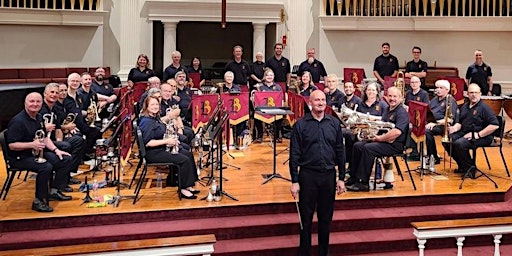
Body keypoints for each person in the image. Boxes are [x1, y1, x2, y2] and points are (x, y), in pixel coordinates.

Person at [289, 90, 346, 256]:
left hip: (329, 176)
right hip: (307, 176)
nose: (320, 103)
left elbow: (340, 151)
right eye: (317, 100)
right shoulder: (300, 125)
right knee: (305, 220)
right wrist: (294, 180)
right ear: (310, 103)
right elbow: (294, 155)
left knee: (325, 219)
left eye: (323, 100)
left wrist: (341, 178)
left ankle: (323, 253)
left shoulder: (334, 124)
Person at [7, 92, 73, 212]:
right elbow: (12, 145)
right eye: (31, 101)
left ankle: (54, 190)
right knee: (45, 167)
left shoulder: (38, 117)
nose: (35, 104)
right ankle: (38, 200)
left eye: (38, 102)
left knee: (65, 159)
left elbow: (45, 138)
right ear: (25, 103)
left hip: (34, 153)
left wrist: (56, 150)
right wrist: (32, 144)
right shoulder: (18, 121)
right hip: (19, 157)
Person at [346, 86, 409, 192]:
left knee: (368, 148)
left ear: (401, 98)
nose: (392, 98)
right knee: (358, 146)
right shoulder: (388, 109)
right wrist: (371, 134)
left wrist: (379, 138)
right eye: (390, 96)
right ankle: (354, 177)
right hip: (385, 141)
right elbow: (382, 126)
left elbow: (397, 132)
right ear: (386, 97)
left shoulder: (401, 112)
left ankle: (364, 182)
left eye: (395, 96)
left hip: (394, 145)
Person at [138, 96, 199, 199]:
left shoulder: (154, 118)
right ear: (146, 107)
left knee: (187, 154)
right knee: (183, 160)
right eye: (152, 104)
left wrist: (172, 139)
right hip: (153, 153)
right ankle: (183, 188)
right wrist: (167, 141)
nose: (155, 107)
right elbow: (148, 142)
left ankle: (188, 184)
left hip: (161, 148)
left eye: (156, 104)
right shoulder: (146, 122)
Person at [443, 84, 499, 177]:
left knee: (459, 144)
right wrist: (454, 128)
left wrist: (478, 135)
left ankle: (470, 168)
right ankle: (463, 166)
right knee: (447, 141)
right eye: (471, 93)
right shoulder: (465, 106)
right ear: (467, 94)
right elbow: (461, 122)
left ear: (480, 94)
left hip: (482, 136)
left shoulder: (484, 107)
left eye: (476, 93)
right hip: (466, 132)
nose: (474, 95)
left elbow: (495, 125)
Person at [41, 83, 86, 185]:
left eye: (56, 93)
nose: (54, 94)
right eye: (52, 92)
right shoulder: (40, 109)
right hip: (43, 142)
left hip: (54, 141)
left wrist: (59, 141)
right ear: (45, 94)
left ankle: (67, 174)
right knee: (66, 146)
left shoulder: (55, 109)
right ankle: (61, 180)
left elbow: (58, 129)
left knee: (79, 141)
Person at [425, 80, 458, 164]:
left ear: (447, 90)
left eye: (441, 88)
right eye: (437, 88)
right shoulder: (435, 99)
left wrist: (435, 123)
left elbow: (450, 119)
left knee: (427, 131)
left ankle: (433, 156)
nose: (438, 90)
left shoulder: (450, 100)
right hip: (432, 122)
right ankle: (415, 153)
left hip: (444, 125)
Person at [253, 69, 283, 143]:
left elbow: (281, 99)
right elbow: (254, 97)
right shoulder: (260, 86)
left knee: (279, 117)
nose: (269, 77)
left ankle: (276, 136)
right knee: (257, 116)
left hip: (274, 109)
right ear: (264, 76)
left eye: (271, 75)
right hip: (263, 109)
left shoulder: (278, 87)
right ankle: (259, 136)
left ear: (273, 77)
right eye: (267, 75)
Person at [403, 76, 430, 160]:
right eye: (412, 82)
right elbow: (406, 104)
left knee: (412, 128)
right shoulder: (408, 93)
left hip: (421, 119)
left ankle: (415, 152)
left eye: (416, 82)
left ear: (420, 83)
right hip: (410, 117)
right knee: (404, 126)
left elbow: (426, 107)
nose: (414, 84)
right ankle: (407, 148)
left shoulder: (424, 94)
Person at [221, 71, 246, 148]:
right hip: (224, 111)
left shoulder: (237, 88)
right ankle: (224, 141)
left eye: (231, 77)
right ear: (225, 78)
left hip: (235, 110)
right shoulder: (221, 88)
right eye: (227, 77)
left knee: (241, 120)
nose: (229, 78)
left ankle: (238, 140)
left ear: (233, 78)